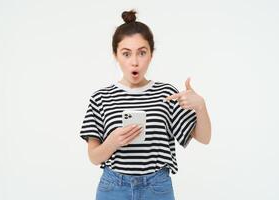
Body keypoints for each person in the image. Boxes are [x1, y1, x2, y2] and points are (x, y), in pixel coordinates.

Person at [79, 9, 211, 200]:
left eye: (142, 53)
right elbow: (94, 157)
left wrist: (201, 106)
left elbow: (204, 137)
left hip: (157, 188)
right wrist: (113, 142)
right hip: (113, 188)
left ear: (151, 54)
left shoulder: (166, 94)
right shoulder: (101, 97)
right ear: (115, 55)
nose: (134, 62)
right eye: (126, 54)